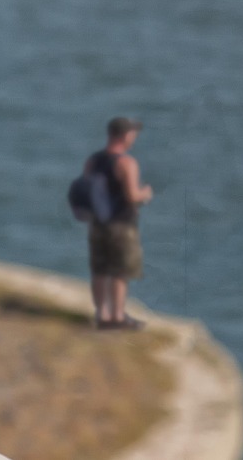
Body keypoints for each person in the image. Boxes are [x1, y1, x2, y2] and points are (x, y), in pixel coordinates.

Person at [83, 117, 153, 330]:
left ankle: (101, 315)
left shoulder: (93, 161)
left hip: (98, 223)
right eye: (133, 133)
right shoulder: (126, 163)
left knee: (100, 270)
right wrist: (145, 193)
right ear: (125, 136)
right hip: (121, 225)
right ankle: (117, 316)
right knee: (120, 271)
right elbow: (132, 195)